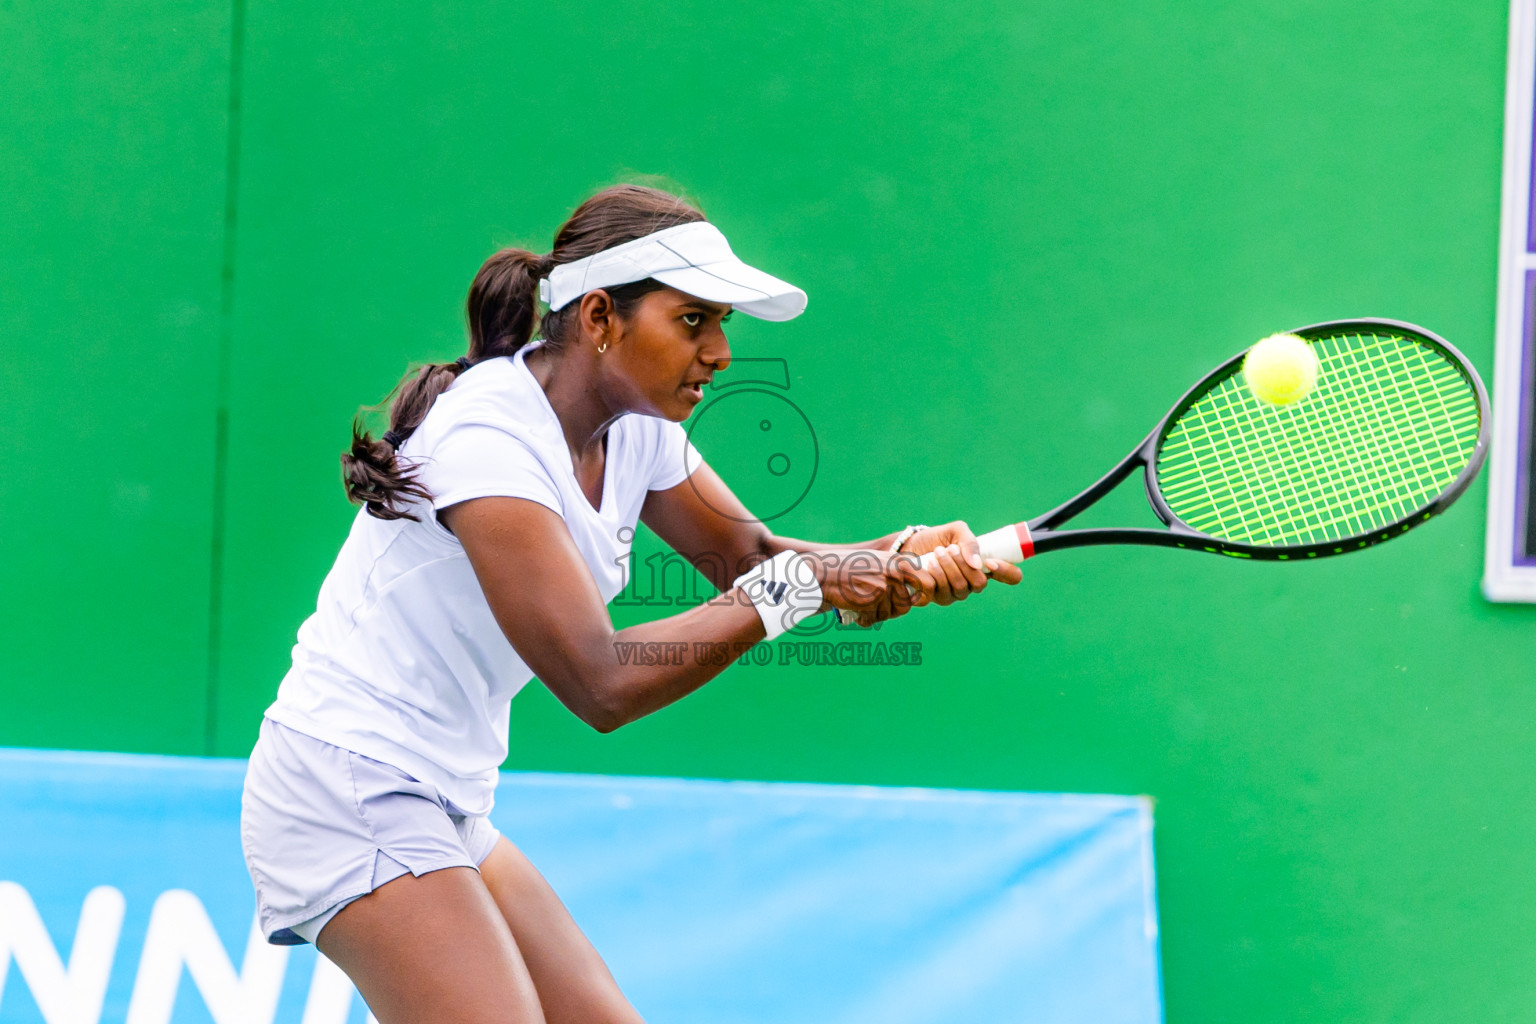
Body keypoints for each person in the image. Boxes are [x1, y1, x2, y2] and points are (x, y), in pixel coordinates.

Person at [240, 184, 1023, 1024]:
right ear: (602, 317)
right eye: (694, 321)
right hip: (345, 783)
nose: (721, 352)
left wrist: (894, 557)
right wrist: (806, 588)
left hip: (446, 796)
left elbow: (753, 560)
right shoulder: (487, 439)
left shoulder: (636, 426)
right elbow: (599, 682)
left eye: (723, 324)